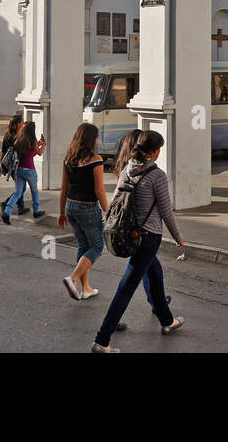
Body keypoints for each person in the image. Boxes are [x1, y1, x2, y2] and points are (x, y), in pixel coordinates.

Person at [92, 130, 184, 352]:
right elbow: (165, 212)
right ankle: (102, 340)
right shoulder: (157, 176)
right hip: (148, 237)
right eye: (159, 148)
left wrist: (108, 224)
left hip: (129, 235)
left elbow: (115, 201)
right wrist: (178, 236)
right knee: (126, 287)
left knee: (154, 273)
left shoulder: (127, 170)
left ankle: (167, 321)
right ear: (154, 151)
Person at [58, 123, 108, 299]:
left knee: (83, 245)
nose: (97, 140)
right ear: (91, 139)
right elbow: (99, 190)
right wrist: (108, 212)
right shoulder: (96, 160)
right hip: (88, 208)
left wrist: (62, 212)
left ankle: (85, 288)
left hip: (71, 207)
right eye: (96, 137)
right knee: (97, 246)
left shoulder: (68, 159)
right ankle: (73, 278)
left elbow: (63, 189)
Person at [2, 121, 45, 223]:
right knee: (34, 191)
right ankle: (36, 211)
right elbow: (39, 153)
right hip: (30, 170)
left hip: (19, 170)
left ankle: (7, 212)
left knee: (17, 192)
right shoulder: (32, 140)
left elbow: (29, 153)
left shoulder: (19, 140)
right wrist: (43, 144)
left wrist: (39, 143)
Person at [1, 112, 27, 214]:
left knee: (20, 186)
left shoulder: (7, 136)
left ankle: (21, 208)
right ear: (18, 124)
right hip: (17, 165)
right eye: (22, 121)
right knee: (21, 188)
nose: (23, 122)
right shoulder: (19, 137)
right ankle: (7, 202)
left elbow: (3, 152)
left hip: (11, 166)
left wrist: (1, 165)